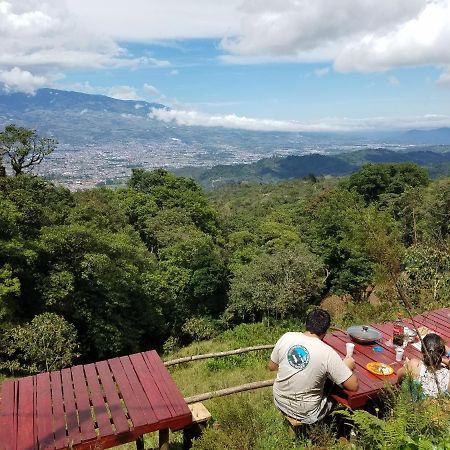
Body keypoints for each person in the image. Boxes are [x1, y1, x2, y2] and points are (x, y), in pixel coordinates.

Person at [268, 308, 359, 424]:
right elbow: (353, 386)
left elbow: (271, 366)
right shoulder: (327, 353)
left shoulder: (287, 337)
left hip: (279, 400)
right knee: (334, 388)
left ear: (306, 324)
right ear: (325, 332)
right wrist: (345, 366)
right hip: (307, 413)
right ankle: (331, 425)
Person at [398, 333, 450, 398]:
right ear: (443, 352)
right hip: (435, 407)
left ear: (422, 350)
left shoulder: (414, 364)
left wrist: (407, 366)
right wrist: (441, 359)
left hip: (412, 406)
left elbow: (399, 377)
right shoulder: (448, 377)